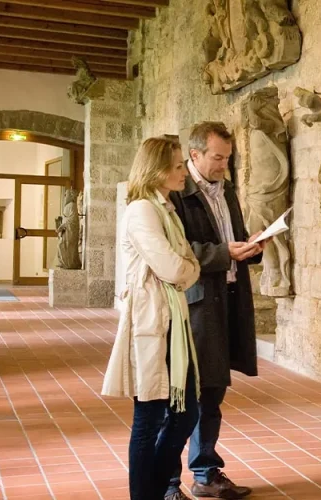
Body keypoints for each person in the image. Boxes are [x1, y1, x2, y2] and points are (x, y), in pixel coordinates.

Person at [165, 122, 265, 500]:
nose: (224, 164)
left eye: (228, 157)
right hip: (195, 304)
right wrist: (225, 253)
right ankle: (168, 482)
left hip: (227, 299)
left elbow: (229, 239)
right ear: (195, 155)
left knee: (213, 392)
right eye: (218, 157)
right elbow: (179, 249)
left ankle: (206, 473)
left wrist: (252, 247)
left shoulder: (227, 191)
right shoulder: (178, 194)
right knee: (183, 395)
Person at [101, 135, 202, 500]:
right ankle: (145, 494)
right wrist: (188, 269)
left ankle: (155, 487)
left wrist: (187, 268)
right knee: (148, 420)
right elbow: (176, 268)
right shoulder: (142, 210)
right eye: (177, 166)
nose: (184, 174)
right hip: (152, 324)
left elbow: (187, 264)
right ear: (157, 169)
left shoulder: (166, 210)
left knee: (186, 413)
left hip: (173, 326)